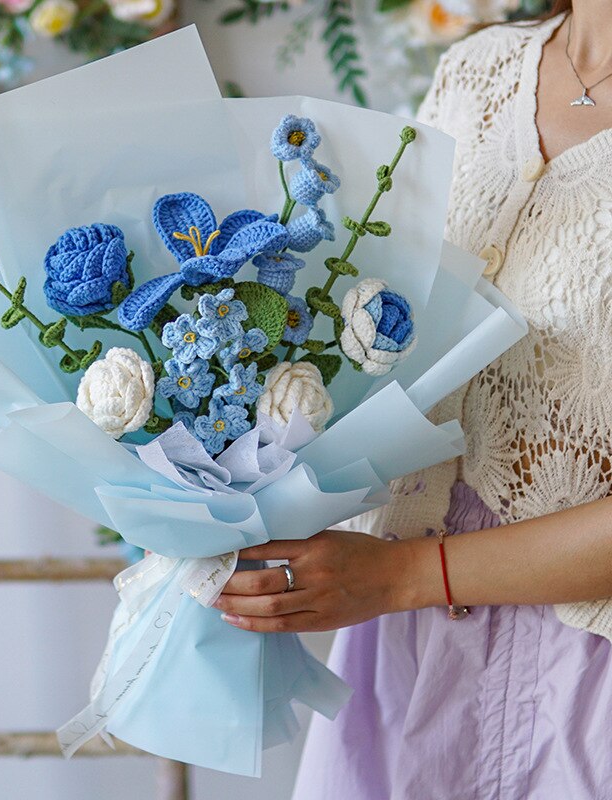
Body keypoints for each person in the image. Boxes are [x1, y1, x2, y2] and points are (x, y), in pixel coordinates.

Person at [215, 3, 612, 797]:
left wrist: (402, 577)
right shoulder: (478, 71)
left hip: (583, 662)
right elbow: (378, 324)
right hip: (406, 639)